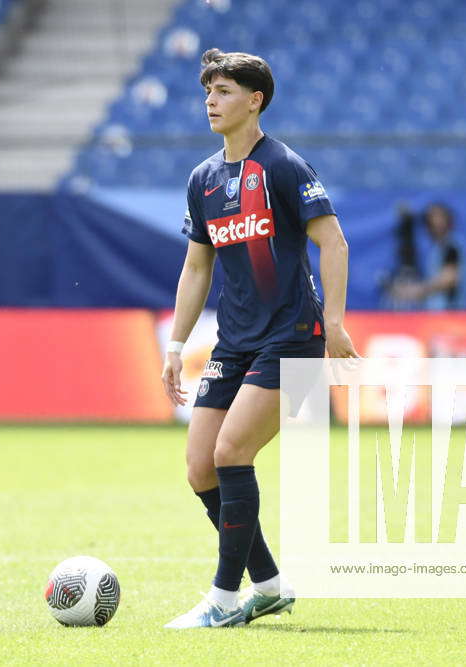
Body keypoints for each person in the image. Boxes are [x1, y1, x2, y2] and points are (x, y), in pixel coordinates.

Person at [160, 49, 358, 629]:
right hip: (234, 341)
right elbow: (197, 268)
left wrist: (337, 324)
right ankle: (268, 585)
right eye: (207, 94)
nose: (210, 103)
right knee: (201, 468)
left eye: (222, 92)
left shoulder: (285, 167)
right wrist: (175, 346)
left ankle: (223, 601)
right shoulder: (203, 179)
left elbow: (335, 243)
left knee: (231, 454)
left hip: (292, 334)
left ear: (255, 100)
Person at [389, 203, 464, 310]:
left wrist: (415, 291)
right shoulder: (436, 249)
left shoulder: (451, 247)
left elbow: (449, 279)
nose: (436, 223)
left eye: (440, 219)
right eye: (431, 220)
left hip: (450, 313)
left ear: (448, 222)